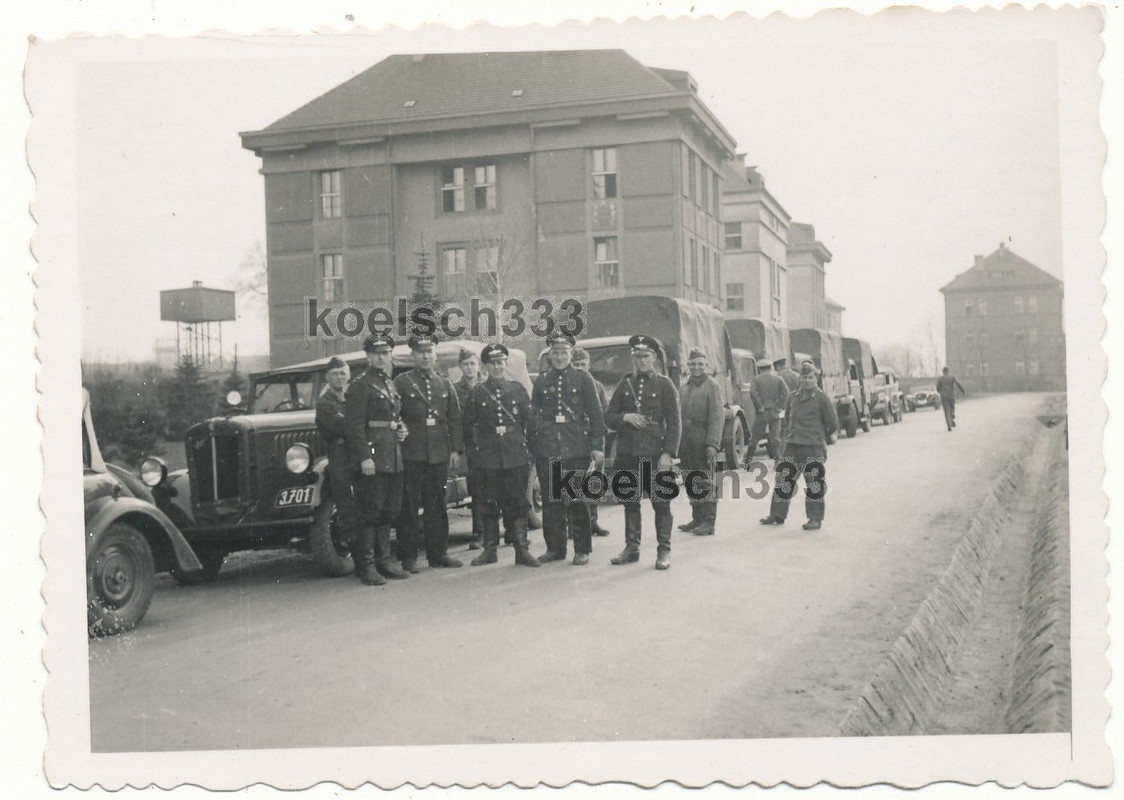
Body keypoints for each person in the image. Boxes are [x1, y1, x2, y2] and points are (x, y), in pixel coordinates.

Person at [604, 335, 682, 570]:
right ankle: (631, 548)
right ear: (633, 359)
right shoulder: (624, 384)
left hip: (655, 453)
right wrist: (626, 417)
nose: (641, 361)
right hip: (628, 452)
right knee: (630, 502)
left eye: (645, 356)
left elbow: (675, 422)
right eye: (637, 357)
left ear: (654, 358)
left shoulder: (665, 384)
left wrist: (668, 454)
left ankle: (664, 550)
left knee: (661, 503)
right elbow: (609, 417)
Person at [530, 330, 606, 566]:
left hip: (576, 447)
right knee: (552, 500)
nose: (560, 356)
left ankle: (582, 549)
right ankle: (555, 548)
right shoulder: (542, 380)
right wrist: (534, 446)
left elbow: (596, 414)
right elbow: (534, 415)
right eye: (555, 352)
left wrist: (596, 446)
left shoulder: (584, 379)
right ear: (549, 355)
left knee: (577, 499)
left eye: (564, 352)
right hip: (548, 446)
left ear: (571, 354)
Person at [462, 343, 541, 567]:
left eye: (500, 362)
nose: (497, 367)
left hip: (514, 455)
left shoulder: (517, 390)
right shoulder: (477, 392)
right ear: (485, 366)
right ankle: (490, 550)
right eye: (492, 363)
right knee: (488, 504)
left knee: (517, 503)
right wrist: (473, 456)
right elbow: (468, 428)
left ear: (505, 364)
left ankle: (521, 550)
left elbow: (530, 423)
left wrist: (528, 449)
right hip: (487, 458)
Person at [393, 333, 465, 571]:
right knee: (409, 508)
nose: (425, 356)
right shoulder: (402, 383)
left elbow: (454, 418)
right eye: (421, 352)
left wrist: (455, 450)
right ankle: (409, 557)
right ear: (413, 355)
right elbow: (394, 414)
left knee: (437, 507)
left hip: (438, 454)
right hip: (411, 453)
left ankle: (438, 554)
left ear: (435, 355)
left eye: (429, 351)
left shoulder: (444, 383)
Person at [343, 335, 410, 584]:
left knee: (389, 511)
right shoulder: (361, 385)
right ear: (368, 356)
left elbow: (392, 417)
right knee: (370, 511)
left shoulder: (389, 384)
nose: (382, 357)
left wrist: (400, 428)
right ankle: (367, 566)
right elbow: (354, 426)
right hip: (372, 458)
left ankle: (383, 561)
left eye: (386, 353)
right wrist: (363, 457)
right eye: (377, 353)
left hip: (392, 455)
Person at [759, 362, 838, 531]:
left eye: (810, 377)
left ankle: (815, 518)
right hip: (793, 445)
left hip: (813, 447)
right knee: (784, 480)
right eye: (804, 377)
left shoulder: (821, 398)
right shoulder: (792, 397)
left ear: (816, 379)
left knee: (814, 483)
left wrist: (817, 435)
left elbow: (832, 423)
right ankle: (777, 515)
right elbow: (787, 418)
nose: (807, 381)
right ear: (799, 378)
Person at [315, 357, 361, 567]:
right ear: (327, 377)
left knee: (364, 503)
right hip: (341, 456)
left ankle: (368, 555)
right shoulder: (325, 403)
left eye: (343, 373)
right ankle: (357, 558)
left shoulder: (352, 397)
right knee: (347, 508)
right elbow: (343, 427)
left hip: (358, 454)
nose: (339, 377)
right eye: (335, 374)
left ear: (349, 375)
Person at [677, 348, 723, 536]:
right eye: (693, 364)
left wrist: (712, 443)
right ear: (688, 365)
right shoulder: (684, 387)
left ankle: (709, 521)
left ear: (706, 366)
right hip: (686, 441)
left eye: (700, 364)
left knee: (707, 481)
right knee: (690, 479)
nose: (696, 368)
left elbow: (717, 417)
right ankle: (697, 518)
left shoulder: (712, 386)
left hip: (703, 439)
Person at [571, 346, 611, 537]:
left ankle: (593, 521)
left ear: (589, 365)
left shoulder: (598, 387)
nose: (580, 368)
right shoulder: (569, 385)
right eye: (576, 364)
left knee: (594, 480)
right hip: (575, 439)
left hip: (594, 438)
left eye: (583, 364)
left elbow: (603, 412)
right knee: (574, 481)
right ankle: (574, 525)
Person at [453, 348, 486, 550]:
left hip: (492, 444)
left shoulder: (488, 386)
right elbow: (455, 421)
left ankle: (508, 530)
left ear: (478, 365)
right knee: (477, 490)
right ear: (460, 367)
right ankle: (480, 533)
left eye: (472, 363)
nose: (469, 368)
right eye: (465, 364)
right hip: (471, 446)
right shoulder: (455, 389)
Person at [748, 359, 790, 461]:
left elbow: (753, 393)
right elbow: (786, 392)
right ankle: (778, 460)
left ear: (760, 369)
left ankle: (747, 461)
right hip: (774, 411)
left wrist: (759, 406)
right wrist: (780, 405)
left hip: (762, 413)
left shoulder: (756, 380)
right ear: (770, 368)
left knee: (754, 438)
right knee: (775, 438)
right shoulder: (778, 378)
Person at [936, 366, 967, 431]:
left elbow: (938, 388)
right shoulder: (952, 377)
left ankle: (949, 425)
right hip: (951, 396)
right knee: (952, 407)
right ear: (948, 371)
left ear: (943, 372)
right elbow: (958, 384)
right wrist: (963, 391)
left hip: (944, 396)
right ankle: (952, 415)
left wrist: (940, 390)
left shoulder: (940, 378)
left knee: (946, 411)